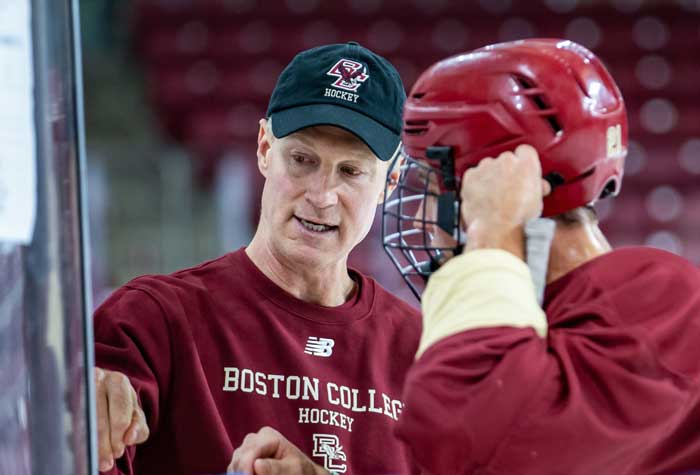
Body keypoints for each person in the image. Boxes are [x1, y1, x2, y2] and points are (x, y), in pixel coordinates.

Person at [94, 41, 421, 475]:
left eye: (351, 171)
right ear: (265, 148)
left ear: (391, 180)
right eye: (302, 160)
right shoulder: (150, 323)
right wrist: (80, 411)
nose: (321, 196)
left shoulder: (424, 355)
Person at [382, 39, 700, 474]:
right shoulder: (537, 322)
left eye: (434, 192)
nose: (419, 215)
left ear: (497, 187)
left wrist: (494, 231)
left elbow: (469, 442)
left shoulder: (663, 297)